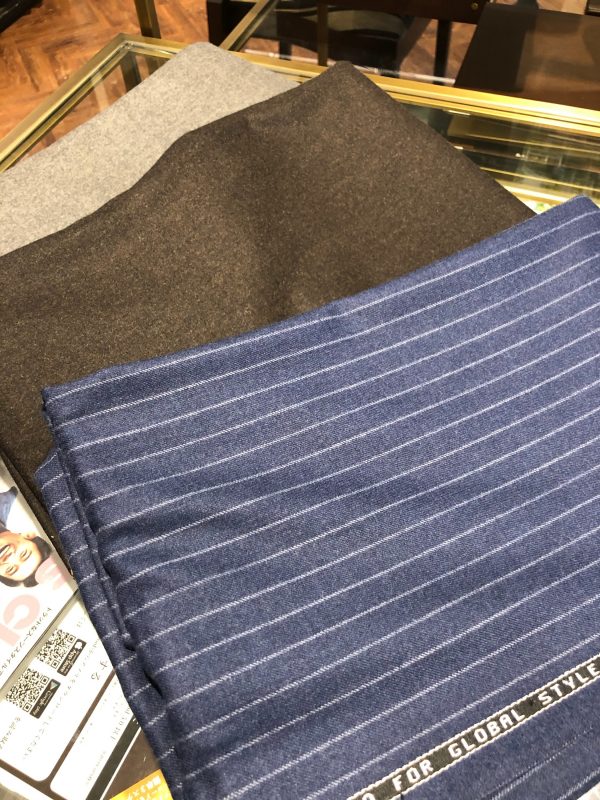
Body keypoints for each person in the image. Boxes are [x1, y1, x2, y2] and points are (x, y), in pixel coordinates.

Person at [0, 487, 52, 588]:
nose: (10, 558)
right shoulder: (4, 501)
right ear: (27, 535)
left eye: (10, 569)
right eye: (24, 554)